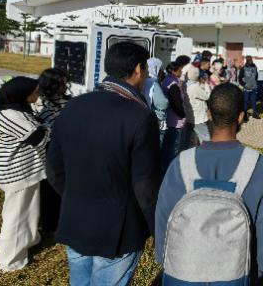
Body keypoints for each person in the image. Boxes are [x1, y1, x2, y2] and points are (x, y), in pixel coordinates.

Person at [47, 41, 161, 285]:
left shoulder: (73, 106)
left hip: (77, 218)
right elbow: (145, 187)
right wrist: (156, 227)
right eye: (146, 71)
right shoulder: (141, 117)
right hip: (118, 231)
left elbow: (54, 170)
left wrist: (77, 197)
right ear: (138, 69)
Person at [155, 83, 263, 283]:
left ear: (209, 114)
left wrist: (163, 258)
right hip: (234, 275)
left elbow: (163, 217)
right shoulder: (258, 166)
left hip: (182, 273)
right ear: (240, 117)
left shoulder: (181, 163)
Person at [0, 77, 45, 272]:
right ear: (22, 94)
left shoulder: (19, 109)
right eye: (35, 92)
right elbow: (38, 137)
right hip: (17, 174)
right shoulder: (11, 114)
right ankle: (10, 261)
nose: (38, 94)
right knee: (16, 217)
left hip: (27, 170)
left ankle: (29, 240)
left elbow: (38, 126)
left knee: (29, 211)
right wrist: (53, 128)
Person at [36, 68, 70, 233]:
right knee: (50, 187)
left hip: (67, 151)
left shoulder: (68, 100)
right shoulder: (40, 104)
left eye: (66, 82)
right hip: (50, 152)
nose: (65, 86)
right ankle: (49, 224)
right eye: (62, 83)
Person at [143, 57, 169, 144]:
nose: (162, 71)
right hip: (156, 119)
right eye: (160, 69)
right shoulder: (153, 82)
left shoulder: (144, 79)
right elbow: (163, 103)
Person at [186, 67, 212, 143]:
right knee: (206, 139)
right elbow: (207, 96)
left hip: (192, 116)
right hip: (198, 118)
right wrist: (206, 84)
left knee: (198, 139)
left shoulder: (188, 84)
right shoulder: (194, 87)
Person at [239, 55, 259, 122]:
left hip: (253, 87)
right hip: (246, 88)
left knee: (254, 101)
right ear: (247, 60)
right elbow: (240, 78)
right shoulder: (243, 68)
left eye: (251, 59)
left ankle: (255, 114)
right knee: (245, 101)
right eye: (250, 60)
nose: (251, 61)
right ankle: (244, 115)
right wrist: (244, 84)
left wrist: (254, 82)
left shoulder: (254, 67)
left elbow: (256, 76)